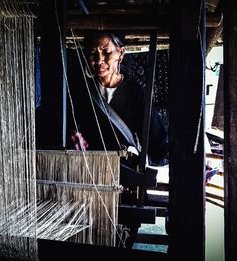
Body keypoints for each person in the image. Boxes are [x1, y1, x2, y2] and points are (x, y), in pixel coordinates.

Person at [66, 30, 169, 247]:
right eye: (93, 54)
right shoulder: (80, 91)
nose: (99, 60)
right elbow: (68, 124)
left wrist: (184, 160)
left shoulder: (136, 93)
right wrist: (72, 135)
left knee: (121, 242)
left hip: (124, 182)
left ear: (120, 54)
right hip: (87, 178)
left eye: (106, 53)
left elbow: (156, 137)